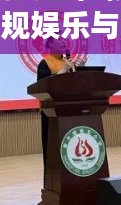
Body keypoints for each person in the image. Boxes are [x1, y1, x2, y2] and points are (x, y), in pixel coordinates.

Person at [36, 37, 76, 168]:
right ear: (51, 44)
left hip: (69, 109)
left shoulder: (68, 62)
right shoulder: (45, 63)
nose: (64, 42)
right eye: (60, 40)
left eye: (65, 40)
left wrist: (78, 70)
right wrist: (63, 70)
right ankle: (51, 173)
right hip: (51, 111)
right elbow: (43, 87)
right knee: (52, 145)